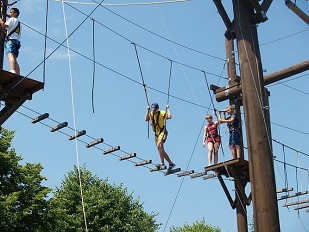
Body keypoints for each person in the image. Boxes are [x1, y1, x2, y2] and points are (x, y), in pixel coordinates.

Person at [145, 103, 175, 170]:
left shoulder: (162, 112)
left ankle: (166, 163)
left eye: (155, 109)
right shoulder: (151, 113)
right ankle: (168, 163)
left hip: (162, 132)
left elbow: (169, 117)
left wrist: (168, 109)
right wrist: (147, 110)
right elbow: (146, 119)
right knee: (160, 149)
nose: (154, 111)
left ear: (157, 108)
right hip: (156, 134)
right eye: (153, 109)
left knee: (159, 146)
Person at [0, 7, 21, 75]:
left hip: (10, 40)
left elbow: (5, 26)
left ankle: (12, 70)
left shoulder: (11, 19)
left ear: (15, 13)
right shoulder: (18, 22)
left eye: (11, 12)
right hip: (16, 41)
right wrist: (7, 15)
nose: (10, 13)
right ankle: (18, 73)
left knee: (10, 55)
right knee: (14, 57)